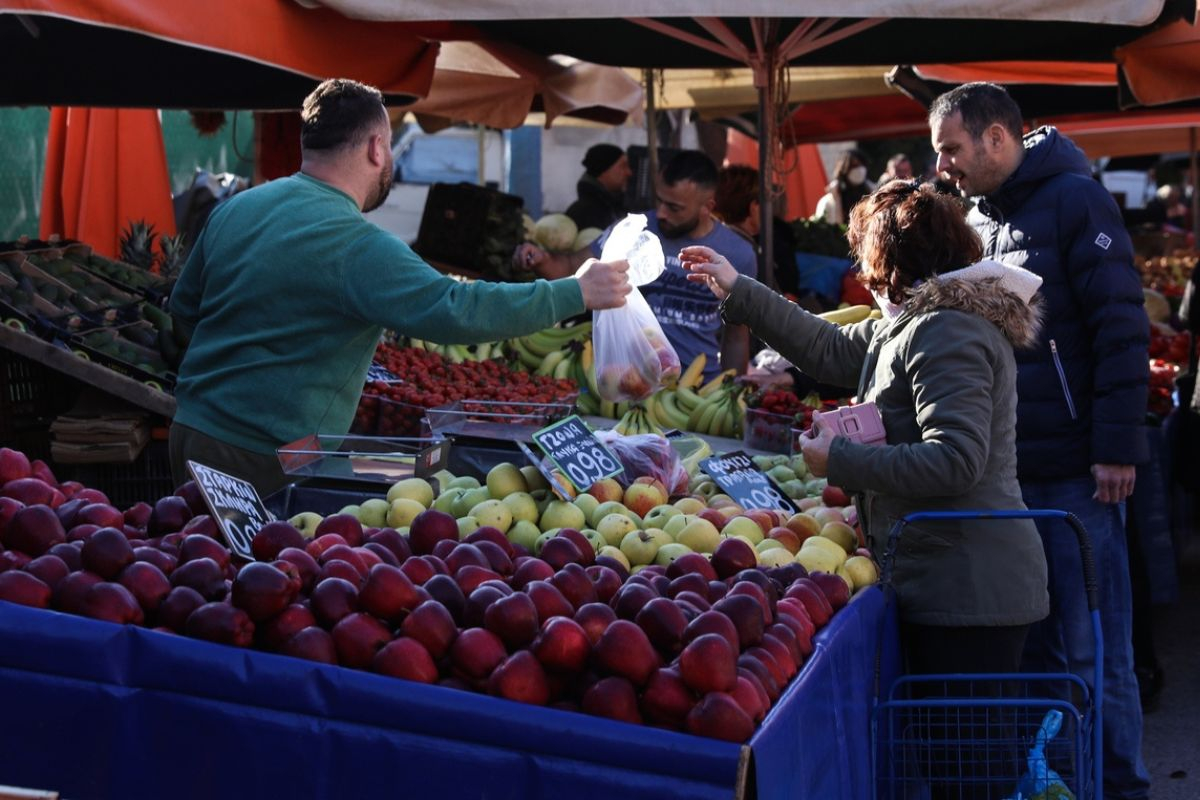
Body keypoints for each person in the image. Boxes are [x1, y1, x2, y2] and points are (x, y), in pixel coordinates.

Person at [684, 184, 1050, 778]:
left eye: (866, 259)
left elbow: (956, 460)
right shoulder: (910, 324)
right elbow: (827, 348)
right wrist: (738, 288)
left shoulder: (946, 331)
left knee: (968, 772)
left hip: (969, 587)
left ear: (890, 261)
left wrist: (842, 459)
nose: (863, 276)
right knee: (952, 764)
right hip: (943, 573)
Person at [168, 78, 631, 496]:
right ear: (376, 148)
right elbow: (455, 309)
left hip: (189, 430)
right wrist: (573, 292)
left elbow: (184, 311)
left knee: (192, 574)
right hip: (262, 456)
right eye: (389, 146)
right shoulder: (356, 244)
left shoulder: (237, 208)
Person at [929, 81, 1151, 800]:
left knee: (1093, 650)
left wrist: (1118, 447)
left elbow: (1122, 326)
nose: (944, 167)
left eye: (952, 149)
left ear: (997, 139)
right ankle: (1068, 784)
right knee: (1050, 653)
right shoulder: (984, 216)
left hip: (1078, 474)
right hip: (1017, 472)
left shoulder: (1076, 201)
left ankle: (1121, 787)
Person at [515, 150, 757, 379]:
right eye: (660, 200)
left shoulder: (738, 254)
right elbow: (571, 268)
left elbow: (736, 336)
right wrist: (541, 259)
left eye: (674, 208)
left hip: (698, 387)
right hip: (629, 379)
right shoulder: (633, 230)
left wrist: (732, 390)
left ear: (708, 207)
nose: (661, 213)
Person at [714, 164, 799, 295]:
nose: (768, 212)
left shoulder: (713, 241)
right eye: (765, 203)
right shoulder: (747, 252)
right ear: (753, 207)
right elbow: (768, 309)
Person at [564, 143, 632, 232]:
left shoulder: (617, 206)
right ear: (604, 170)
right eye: (622, 166)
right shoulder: (583, 213)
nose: (629, 172)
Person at [812, 148, 873, 225]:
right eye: (854, 166)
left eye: (862, 165)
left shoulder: (873, 193)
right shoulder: (827, 202)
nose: (859, 169)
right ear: (844, 169)